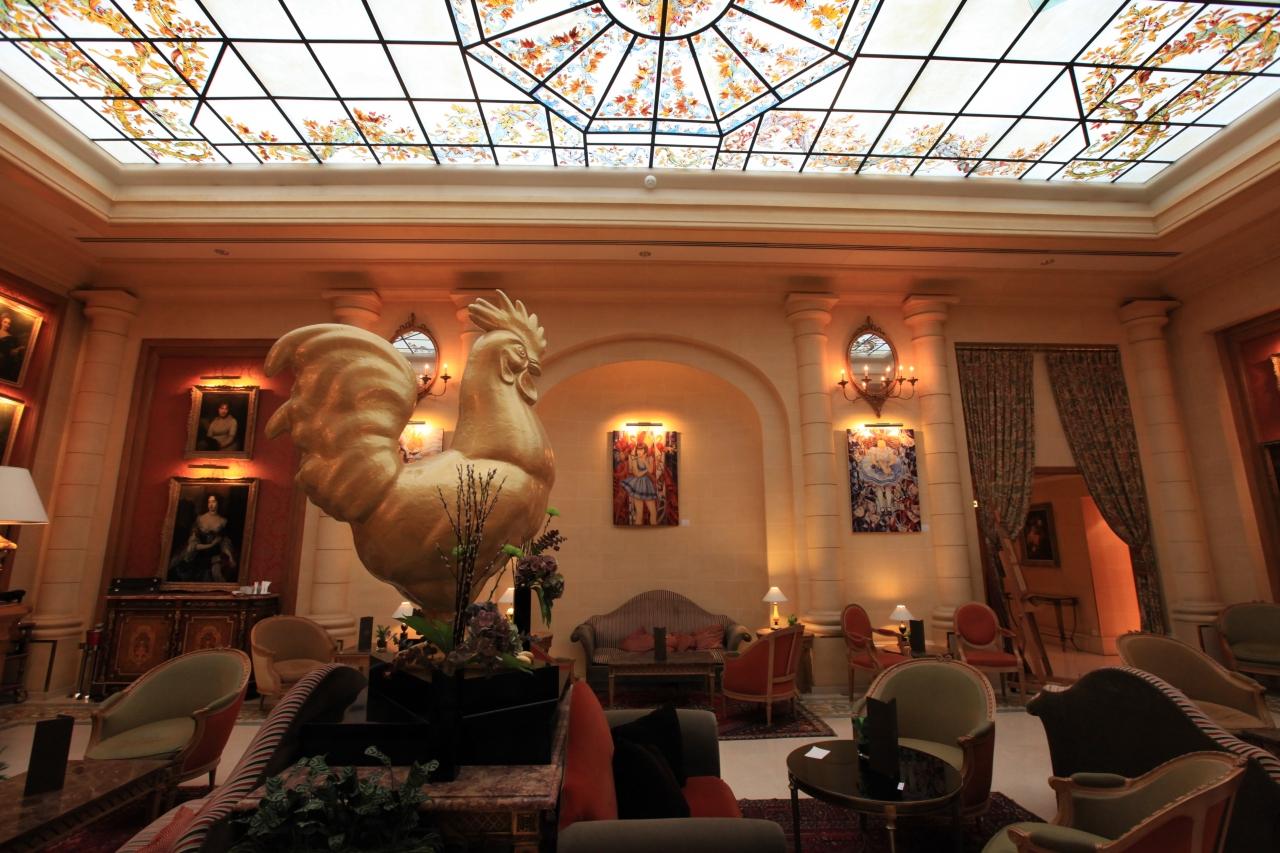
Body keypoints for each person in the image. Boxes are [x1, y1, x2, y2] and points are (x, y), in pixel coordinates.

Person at [169, 493, 237, 582]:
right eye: (209, 502)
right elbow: (194, 544)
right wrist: (211, 545)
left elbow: (224, 543)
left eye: (214, 502)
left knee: (217, 572)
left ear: (218, 503)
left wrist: (230, 557)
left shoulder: (223, 521)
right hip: (198, 555)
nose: (211, 505)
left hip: (215, 556)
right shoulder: (200, 519)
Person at [0, 312, 28, 384]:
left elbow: (10, 352)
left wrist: (18, 349)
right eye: (5, 322)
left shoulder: (11, 338)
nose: (6, 325)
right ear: (1, 322)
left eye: (8, 323)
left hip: (3, 364)